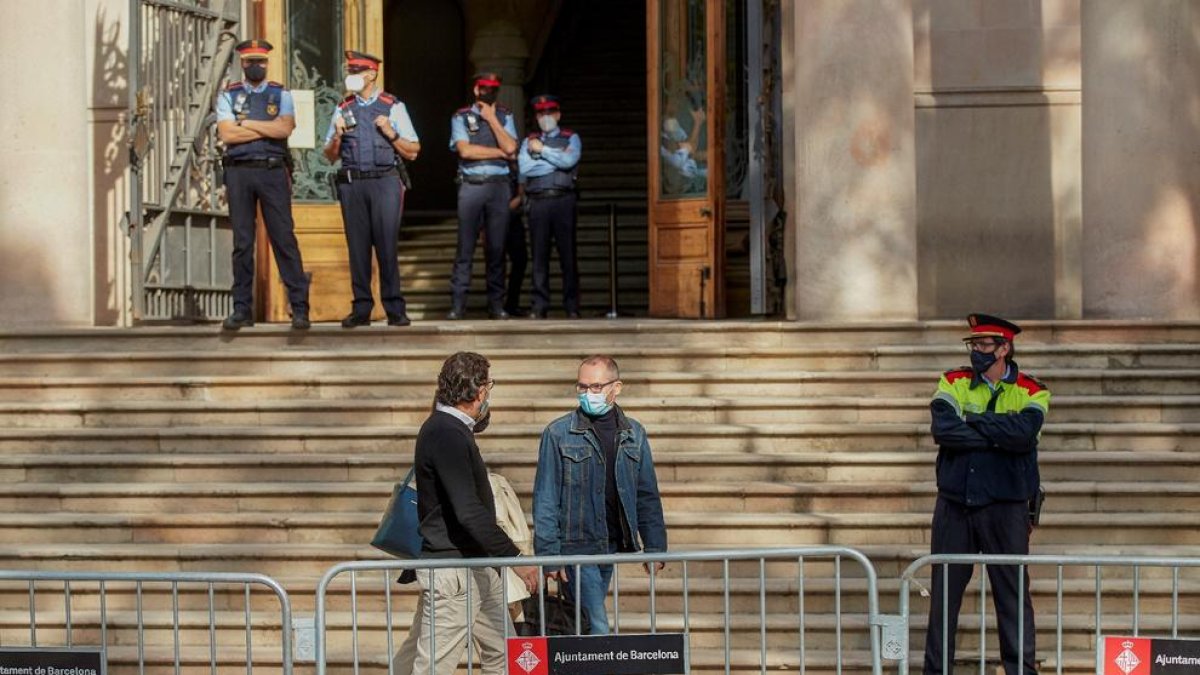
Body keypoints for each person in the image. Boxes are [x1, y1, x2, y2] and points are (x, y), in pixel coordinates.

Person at [392, 352, 539, 675]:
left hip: (474, 565)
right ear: (480, 391)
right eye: (488, 386)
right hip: (454, 571)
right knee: (434, 665)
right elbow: (468, 510)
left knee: (504, 656)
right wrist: (516, 558)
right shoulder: (445, 432)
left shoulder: (451, 429)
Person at [924, 314, 1051, 675]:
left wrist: (972, 421)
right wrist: (999, 435)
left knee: (1012, 598)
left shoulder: (1031, 389)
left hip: (1006, 507)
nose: (977, 351)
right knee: (944, 600)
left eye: (984, 345)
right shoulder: (953, 381)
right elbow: (944, 429)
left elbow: (1024, 435)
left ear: (1004, 348)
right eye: (973, 345)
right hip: (954, 505)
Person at [531, 354, 668, 635]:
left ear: (616, 388)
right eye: (582, 387)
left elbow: (646, 494)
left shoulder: (634, 434)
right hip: (575, 549)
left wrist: (655, 546)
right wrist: (549, 554)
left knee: (584, 627)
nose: (587, 393)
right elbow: (545, 497)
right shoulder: (558, 433)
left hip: (611, 545)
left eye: (595, 387)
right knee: (597, 627)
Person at [215, 39, 310, 330]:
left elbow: (284, 128)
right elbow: (227, 135)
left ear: (267, 62)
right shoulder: (228, 94)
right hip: (239, 173)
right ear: (242, 63)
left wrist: (246, 124)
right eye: (250, 61)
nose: (255, 66)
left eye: (260, 61)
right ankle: (242, 309)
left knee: (284, 239)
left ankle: (300, 308)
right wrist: (261, 129)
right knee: (243, 243)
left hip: (272, 172)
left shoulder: (281, 93)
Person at [322, 50, 419, 328]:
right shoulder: (343, 107)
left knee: (386, 245)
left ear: (371, 74)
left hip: (385, 182)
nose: (350, 76)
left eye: (356, 71)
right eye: (349, 71)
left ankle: (394, 307)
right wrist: (337, 136)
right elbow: (329, 155)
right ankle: (361, 307)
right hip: (353, 184)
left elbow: (413, 151)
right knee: (358, 247)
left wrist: (392, 133)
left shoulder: (393, 106)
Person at [447, 73, 519, 320]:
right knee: (465, 248)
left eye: (494, 88)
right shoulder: (461, 116)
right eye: (486, 88)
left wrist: (491, 119)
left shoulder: (505, 115)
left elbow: (512, 149)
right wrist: (499, 151)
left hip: (499, 186)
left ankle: (496, 305)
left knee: (497, 248)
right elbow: (465, 150)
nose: (490, 92)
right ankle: (458, 305)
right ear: (477, 89)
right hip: (472, 186)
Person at [518, 95, 582, 319]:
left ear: (558, 114)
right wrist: (556, 160)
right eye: (541, 113)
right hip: (538, 201)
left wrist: (543, 152)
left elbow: (569, 161)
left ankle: (572, 306)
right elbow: (525, 169)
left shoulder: (570, 137)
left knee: (568, 256)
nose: (546, 117)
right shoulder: (529, 140)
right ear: (536, 116)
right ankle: (539, 305)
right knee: (539, 257)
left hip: (563, 200)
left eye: (550, 112)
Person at [503, 163, 529, 318]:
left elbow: (521, 192)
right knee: (496, 262)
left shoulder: (519, 166)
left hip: (512, 218)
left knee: (520, 260)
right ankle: (496, 304)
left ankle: (511, 304)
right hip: (492, 218)